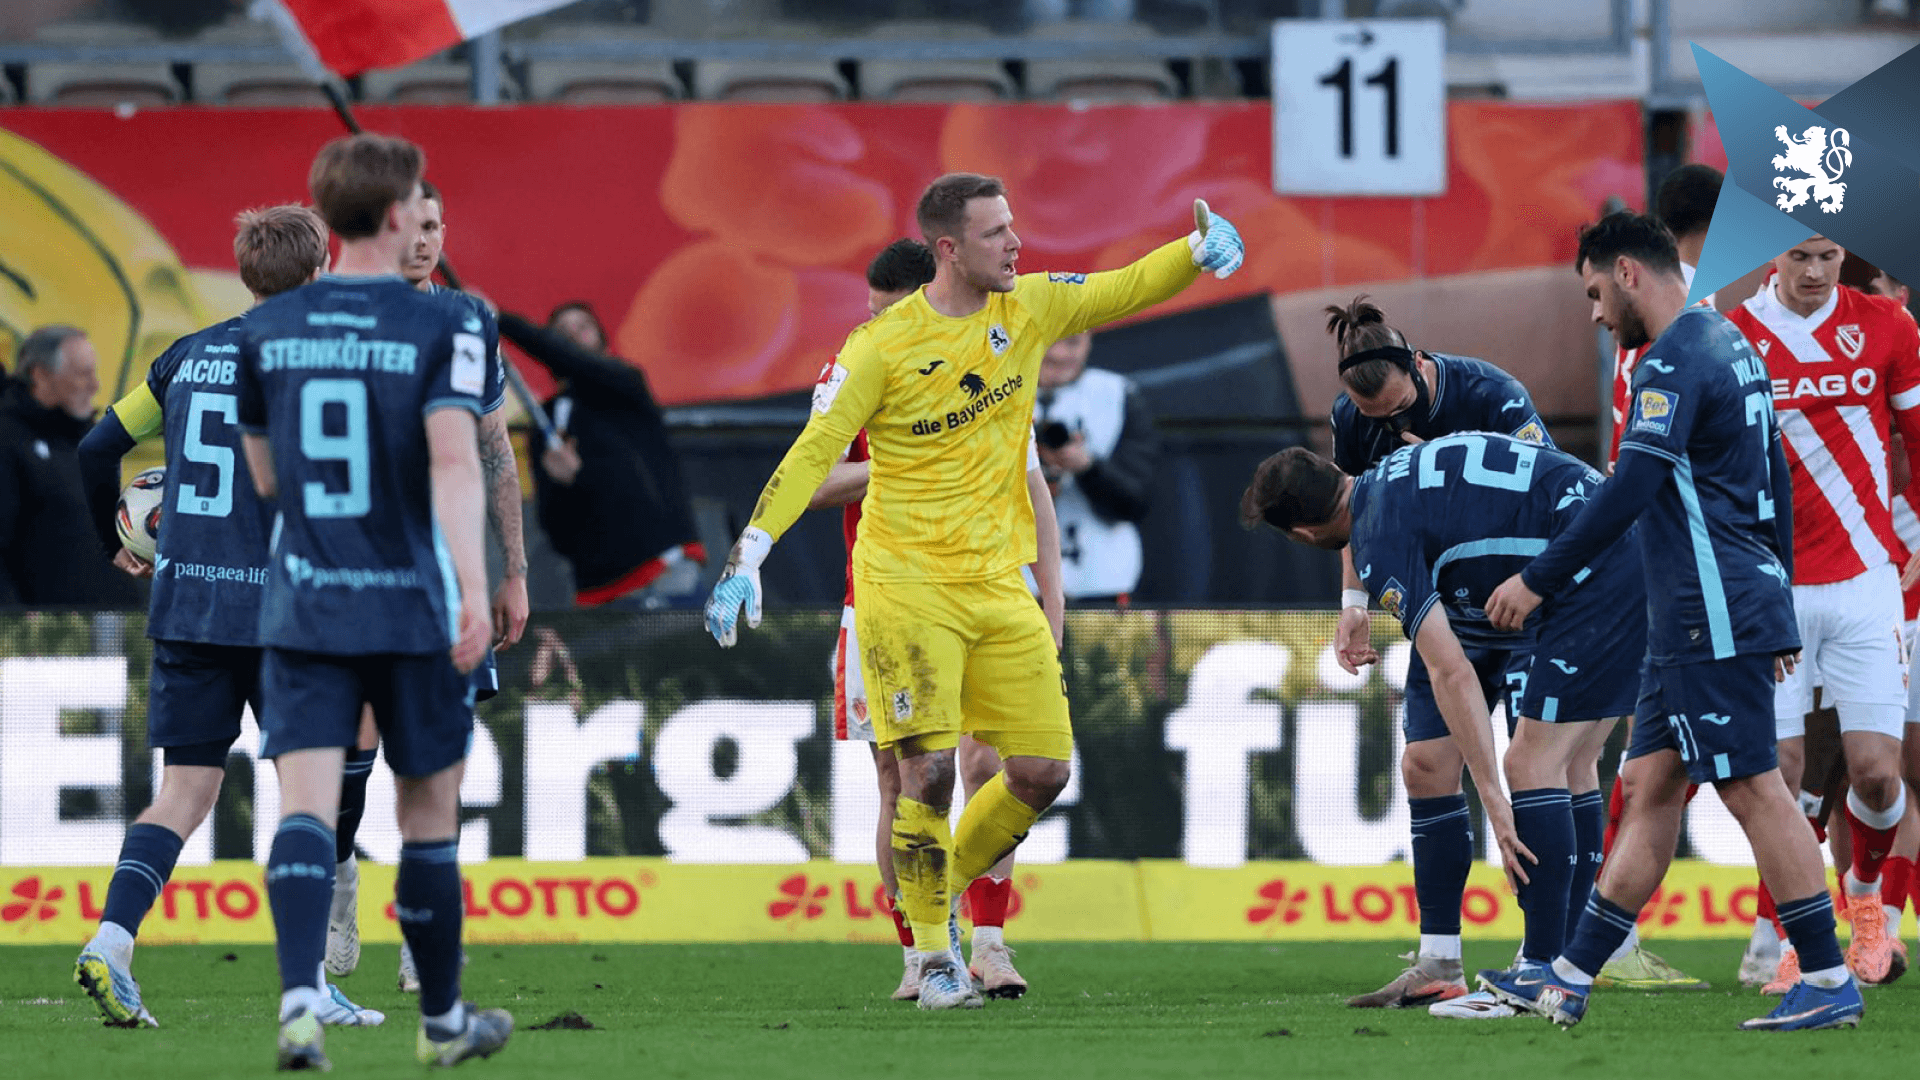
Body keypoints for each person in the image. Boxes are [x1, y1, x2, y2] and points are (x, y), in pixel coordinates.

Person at [705, 173, 1243, 1010]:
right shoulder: (877, 347)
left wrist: (1192, 253)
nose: (1016, 243)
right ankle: (932, 957)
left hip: (999, 585)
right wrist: (749, 553)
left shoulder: (1028, 308)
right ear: (949, 248)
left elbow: (1122, 288)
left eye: (1014, 227)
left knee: (1041, 769)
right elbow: (814, 455)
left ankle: (931, 908)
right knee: (923, 779)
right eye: (996, 233)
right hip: (905, 586)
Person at [1479, 211, 1861, 1031]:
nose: (1592, 314)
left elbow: (1628, 490)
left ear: (1627, 272)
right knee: (1649, 785)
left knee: (1756, 788)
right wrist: (1782, 593)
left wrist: (1539, 580)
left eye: (1592, 293)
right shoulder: (1732, 344)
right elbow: (1777, 477)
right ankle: (1571, 972)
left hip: (1707, 606)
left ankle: (1827, 980)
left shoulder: (1673, 360)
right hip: (1708, 606)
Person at [234, 132, 511, 1069]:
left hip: (307, 603)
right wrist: (476, 588)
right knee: (426, 815)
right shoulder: (450, 323)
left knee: (305, 813)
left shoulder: (263, 331)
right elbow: (452, 460)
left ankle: (302, 1004)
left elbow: (267, 478)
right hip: (411, 605)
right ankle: (441, 1026)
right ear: (399, 216)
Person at [69, 205, 380, 1030]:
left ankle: (111, 940)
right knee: (308, 799)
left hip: (189, 606)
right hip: (287, 618)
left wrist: (119, 537)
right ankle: (310, 984)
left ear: (245, 273)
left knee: (183, 793)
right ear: (318, 273)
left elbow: (98, 450)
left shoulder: (183, 358)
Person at [1242, 434, 1642, 1005]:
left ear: (1303, 534)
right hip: (1606, 549)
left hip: (1588, 574)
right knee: (1535, 761)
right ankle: (1467, 963)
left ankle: (1544, 970)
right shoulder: (1388, 474)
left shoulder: (1378, 535)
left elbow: (1449, 671)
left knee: (1532, 764)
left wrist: (1495, 804)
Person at [811, 238, 1065, 1001]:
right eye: (872, 314)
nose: (877, 328)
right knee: (903, 783)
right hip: (885, 604)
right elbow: (818, 479)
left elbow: (1035, 493)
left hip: (989, 593)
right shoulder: (851, 370)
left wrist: (1052, 607)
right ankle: (922, 953)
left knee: (992, 764)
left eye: (890, 314)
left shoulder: (993, 366)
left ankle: (988, 941)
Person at [1318, 297, 1558, 1018]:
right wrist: (1353, 603)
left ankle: (1556, 954)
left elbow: (1554, 489)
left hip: (1523, 605)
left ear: (1419, 366)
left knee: (1544, 765)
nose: (1389, 428)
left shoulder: (1493, 394)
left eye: (1399, 410)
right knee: (1424, 765)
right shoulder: (1350, 418)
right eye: (1377, 421)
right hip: (1441, 609)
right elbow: (1356, 512)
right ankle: (1440, 960)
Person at [327, 178, 531, 995]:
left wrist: (513, 569)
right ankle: (340, 878)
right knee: (353, 753)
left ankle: (421, 938)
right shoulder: (333, 317)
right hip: (351, 569)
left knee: (435, 761)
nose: (425, 240)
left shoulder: (466, 322)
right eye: (410, 226)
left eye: (436, 225)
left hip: (447, 575)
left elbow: (494, 450)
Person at [1726, 235, 1920, 988]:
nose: (1813, 272)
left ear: (1847, 258)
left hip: (1867, 581)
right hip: (1773, 587)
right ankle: (1806, 939)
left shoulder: (1888, 326)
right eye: (1799, 256)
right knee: (1782, 772)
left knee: (1875, 774)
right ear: (1772, 255)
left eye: (1828, 257)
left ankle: (1865, 904)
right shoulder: (1731, 335)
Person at [1593, 164, 1725, 992]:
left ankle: (1598, 940)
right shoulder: (1687, 330)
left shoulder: (1669, 334)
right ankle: (1809, 959)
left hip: (1680, 573)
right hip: (1682, 574)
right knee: (1689, 774)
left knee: (1682, 771)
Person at [511, 300, 705, 608]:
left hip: (664, 570)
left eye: (582, 327)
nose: (573, 336)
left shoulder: (624, 384)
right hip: (598, 592)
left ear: (602, 338)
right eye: (561, 333)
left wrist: (500, 319)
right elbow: (554, 529)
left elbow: (578, 361)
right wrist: (564, 482)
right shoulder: (545, 423)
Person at [0, 326, 142, 607]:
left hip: (114, 629)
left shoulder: (92, 443)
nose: (94, 385)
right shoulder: (8, 439)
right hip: (47, 638)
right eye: (81, 373)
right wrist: (16, 623)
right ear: (40, 375)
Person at [1032, 330, 1157, 603]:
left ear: (1089, 341)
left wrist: (1087, 468)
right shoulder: (994, 393)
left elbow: (1135, 502)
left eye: (1073, 342)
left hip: (1098, 581)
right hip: (1015, 585)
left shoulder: (1117, 394)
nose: (1058, 354)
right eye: (1050, 341)